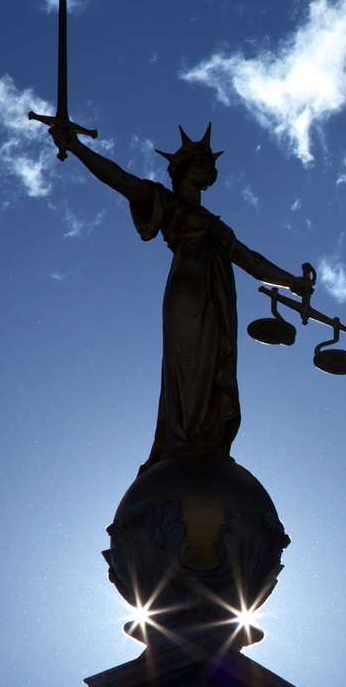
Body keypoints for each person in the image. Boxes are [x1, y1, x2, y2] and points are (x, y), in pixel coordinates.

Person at [49, 122, 311, 470]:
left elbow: (251, 260)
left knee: (217, 368)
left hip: (219, 301)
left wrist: (291, 281)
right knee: (189, 369)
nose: (210, 169)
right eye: (201, 163)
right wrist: (79, 148)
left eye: (211, 165)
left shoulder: (219, 226)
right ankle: (182, 444)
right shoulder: (168, 202)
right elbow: (122, 180)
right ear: (181, 170)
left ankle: (208, 442)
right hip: (187, 296)